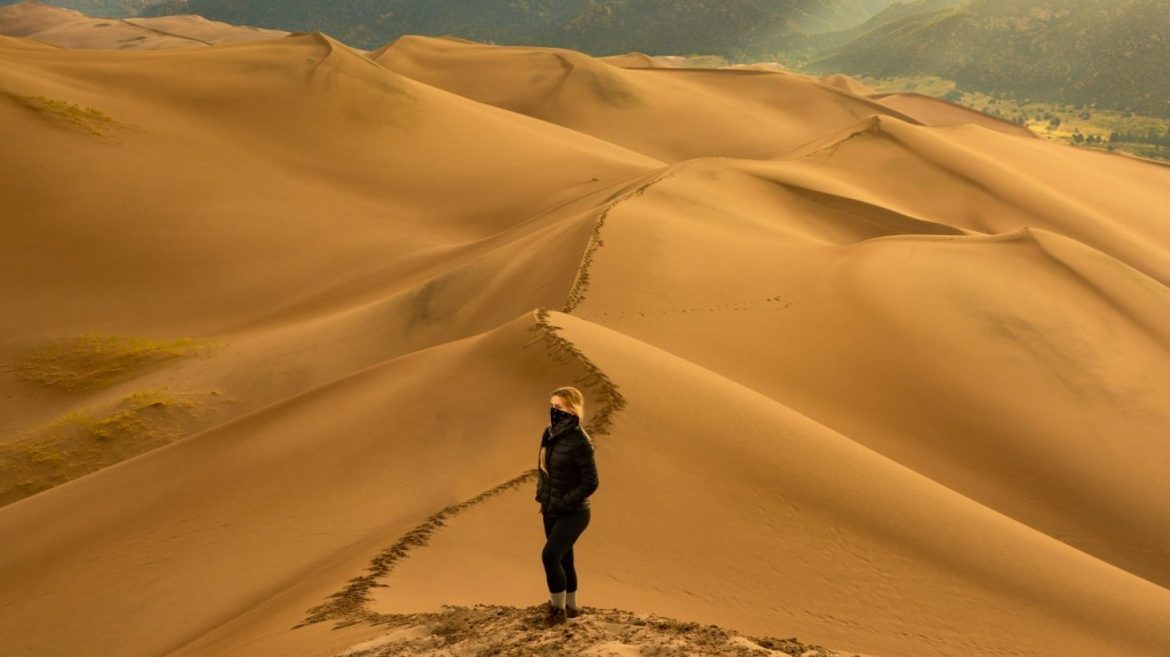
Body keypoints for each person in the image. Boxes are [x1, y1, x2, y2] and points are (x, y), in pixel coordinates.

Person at [534, 385, 599, 627]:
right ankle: (571, 608)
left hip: (574, 512)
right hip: (550, 509)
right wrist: (545, 498)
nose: (554, 411)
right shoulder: (549, 434)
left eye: (559, 407)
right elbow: (545, 470)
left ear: (572, 408)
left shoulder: (581, 443)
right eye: (552, 406)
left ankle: (557, 612)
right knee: (564, 560)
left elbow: (591, 483)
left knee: (549, 556)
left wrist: (563, 502)